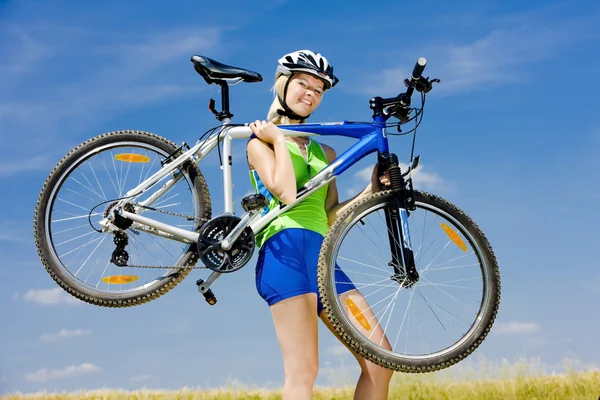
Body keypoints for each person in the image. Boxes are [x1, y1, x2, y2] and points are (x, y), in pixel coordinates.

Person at [247, 50, 394, 400]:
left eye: (318, 89)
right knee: (303, 372)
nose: (310, 93)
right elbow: (284, 192)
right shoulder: (259, 141)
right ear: (283, 85)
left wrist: (370, 191)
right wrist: (280, 139)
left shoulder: (325, 152)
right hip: (286, 253)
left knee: (380, 362)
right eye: (302, 83)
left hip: (322, 256)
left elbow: (329, 215)